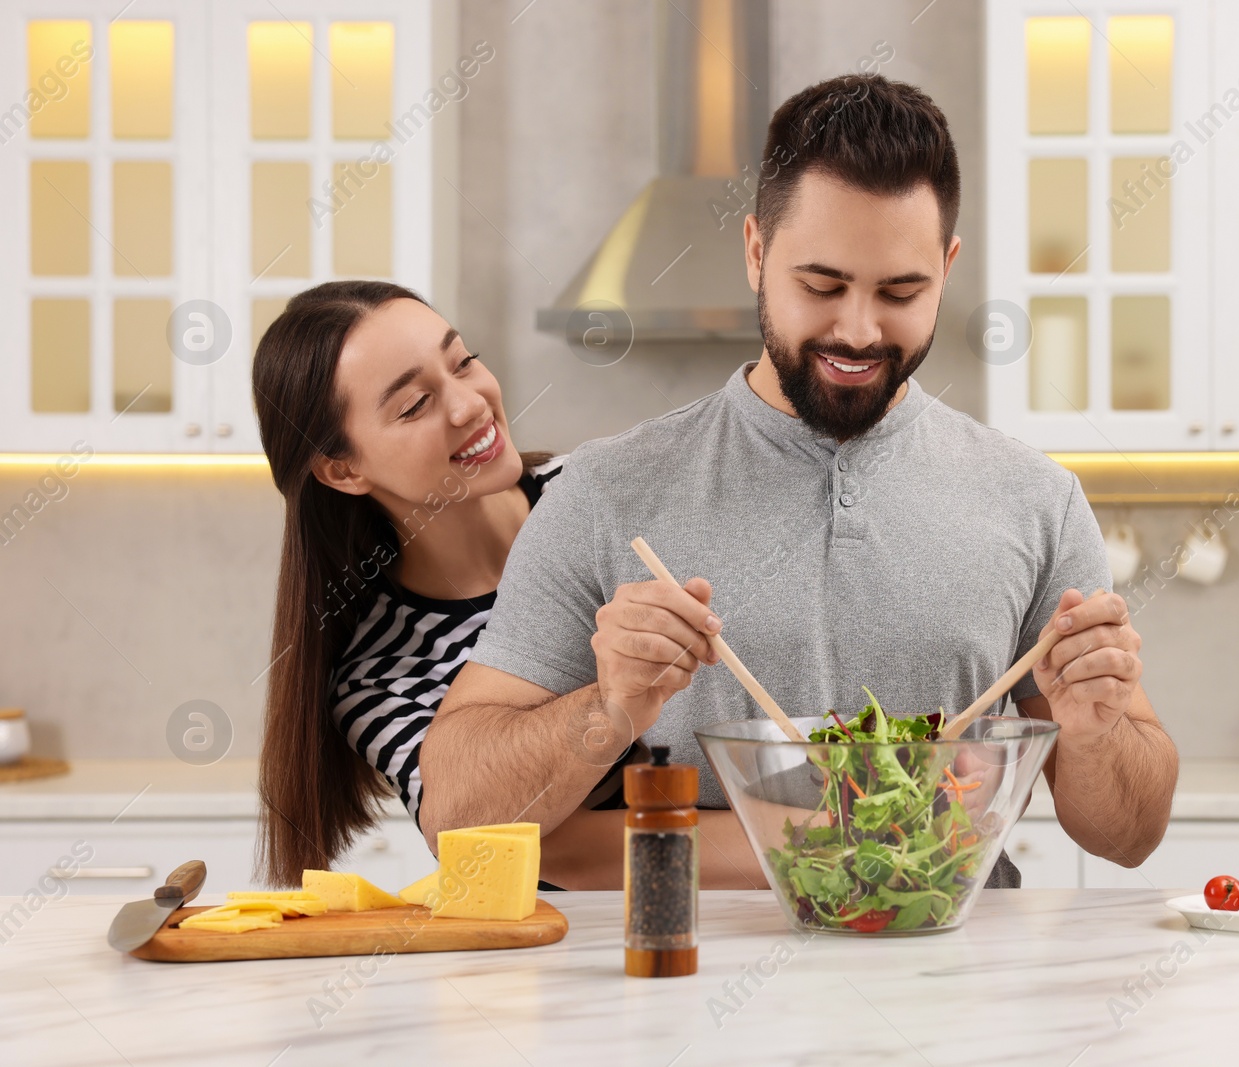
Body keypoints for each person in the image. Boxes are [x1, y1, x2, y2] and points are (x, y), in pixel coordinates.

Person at [420, 74, 1179, 889]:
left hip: (956, 983)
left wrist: (1096, 735)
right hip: (687, 984)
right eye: (820, 286)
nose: (858, 329)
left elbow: (1128, 836)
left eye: (900, 291)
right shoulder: (606, 492)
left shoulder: (1038, 502)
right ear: (755, 250)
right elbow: (454, 814)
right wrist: (605, 708)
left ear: (948, 268)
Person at [250, 280, 633, 888]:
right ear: (343, 468)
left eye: (463, 363)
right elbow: (522, 849)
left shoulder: (605, 494)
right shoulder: (380, 677)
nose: (469, 405)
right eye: (413, 405)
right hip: (573, 953)